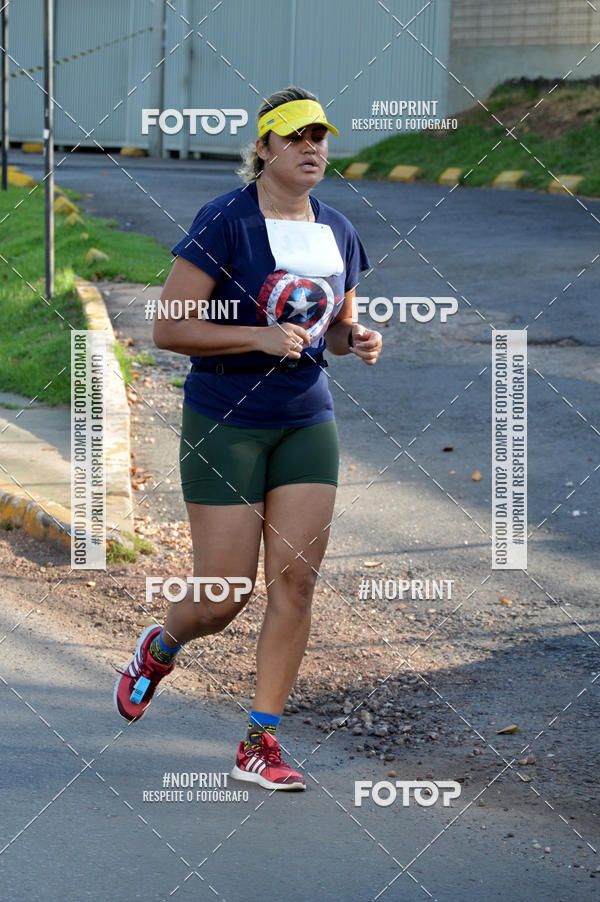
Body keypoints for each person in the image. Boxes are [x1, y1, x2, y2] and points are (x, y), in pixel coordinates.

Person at [114, 86, 382, 791]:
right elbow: (168, 328)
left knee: (294, 584)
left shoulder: (338, 231)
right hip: (226, 419)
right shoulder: (225, 221)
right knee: (223, 595)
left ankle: (259, 744)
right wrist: (256, 336)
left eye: (319, 135)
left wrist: (358, 338)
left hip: (305, 421)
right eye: (294, 136)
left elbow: (336, 330)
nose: (311, 147)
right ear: (263, 147)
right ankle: (160, 646)